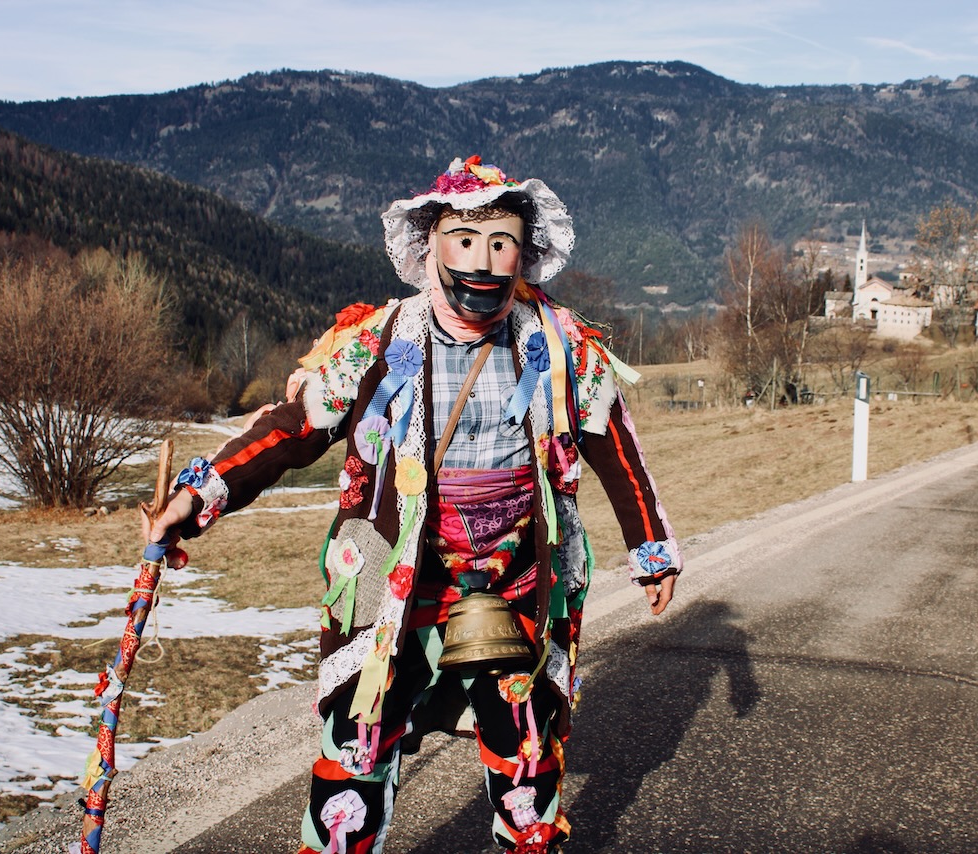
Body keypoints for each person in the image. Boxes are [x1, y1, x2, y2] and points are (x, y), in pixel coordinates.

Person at [149, 156, 682, 853]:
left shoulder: (557, 345)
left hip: (517, 578)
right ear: (430, 246)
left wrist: (651, 548)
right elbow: (294, 428)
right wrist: (197, 497)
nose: (482, 262)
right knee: (358, 743)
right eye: (465, 240)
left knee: (524, 749)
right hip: (391, 583)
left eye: (500, 242)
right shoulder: (381, 341)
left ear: (524, 252)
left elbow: (616, 446)